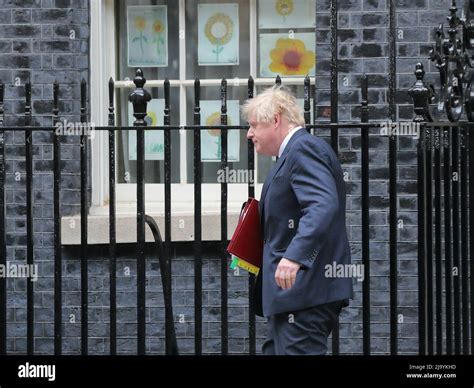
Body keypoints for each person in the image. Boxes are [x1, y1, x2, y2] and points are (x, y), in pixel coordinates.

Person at [241, 85, 353, 355]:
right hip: (291, 297)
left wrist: (294, 257)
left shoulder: (303, 149)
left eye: (255, 125)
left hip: (304, 294)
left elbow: (322, 205)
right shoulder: (290, 154)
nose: (250, 133)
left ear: (276, 119)